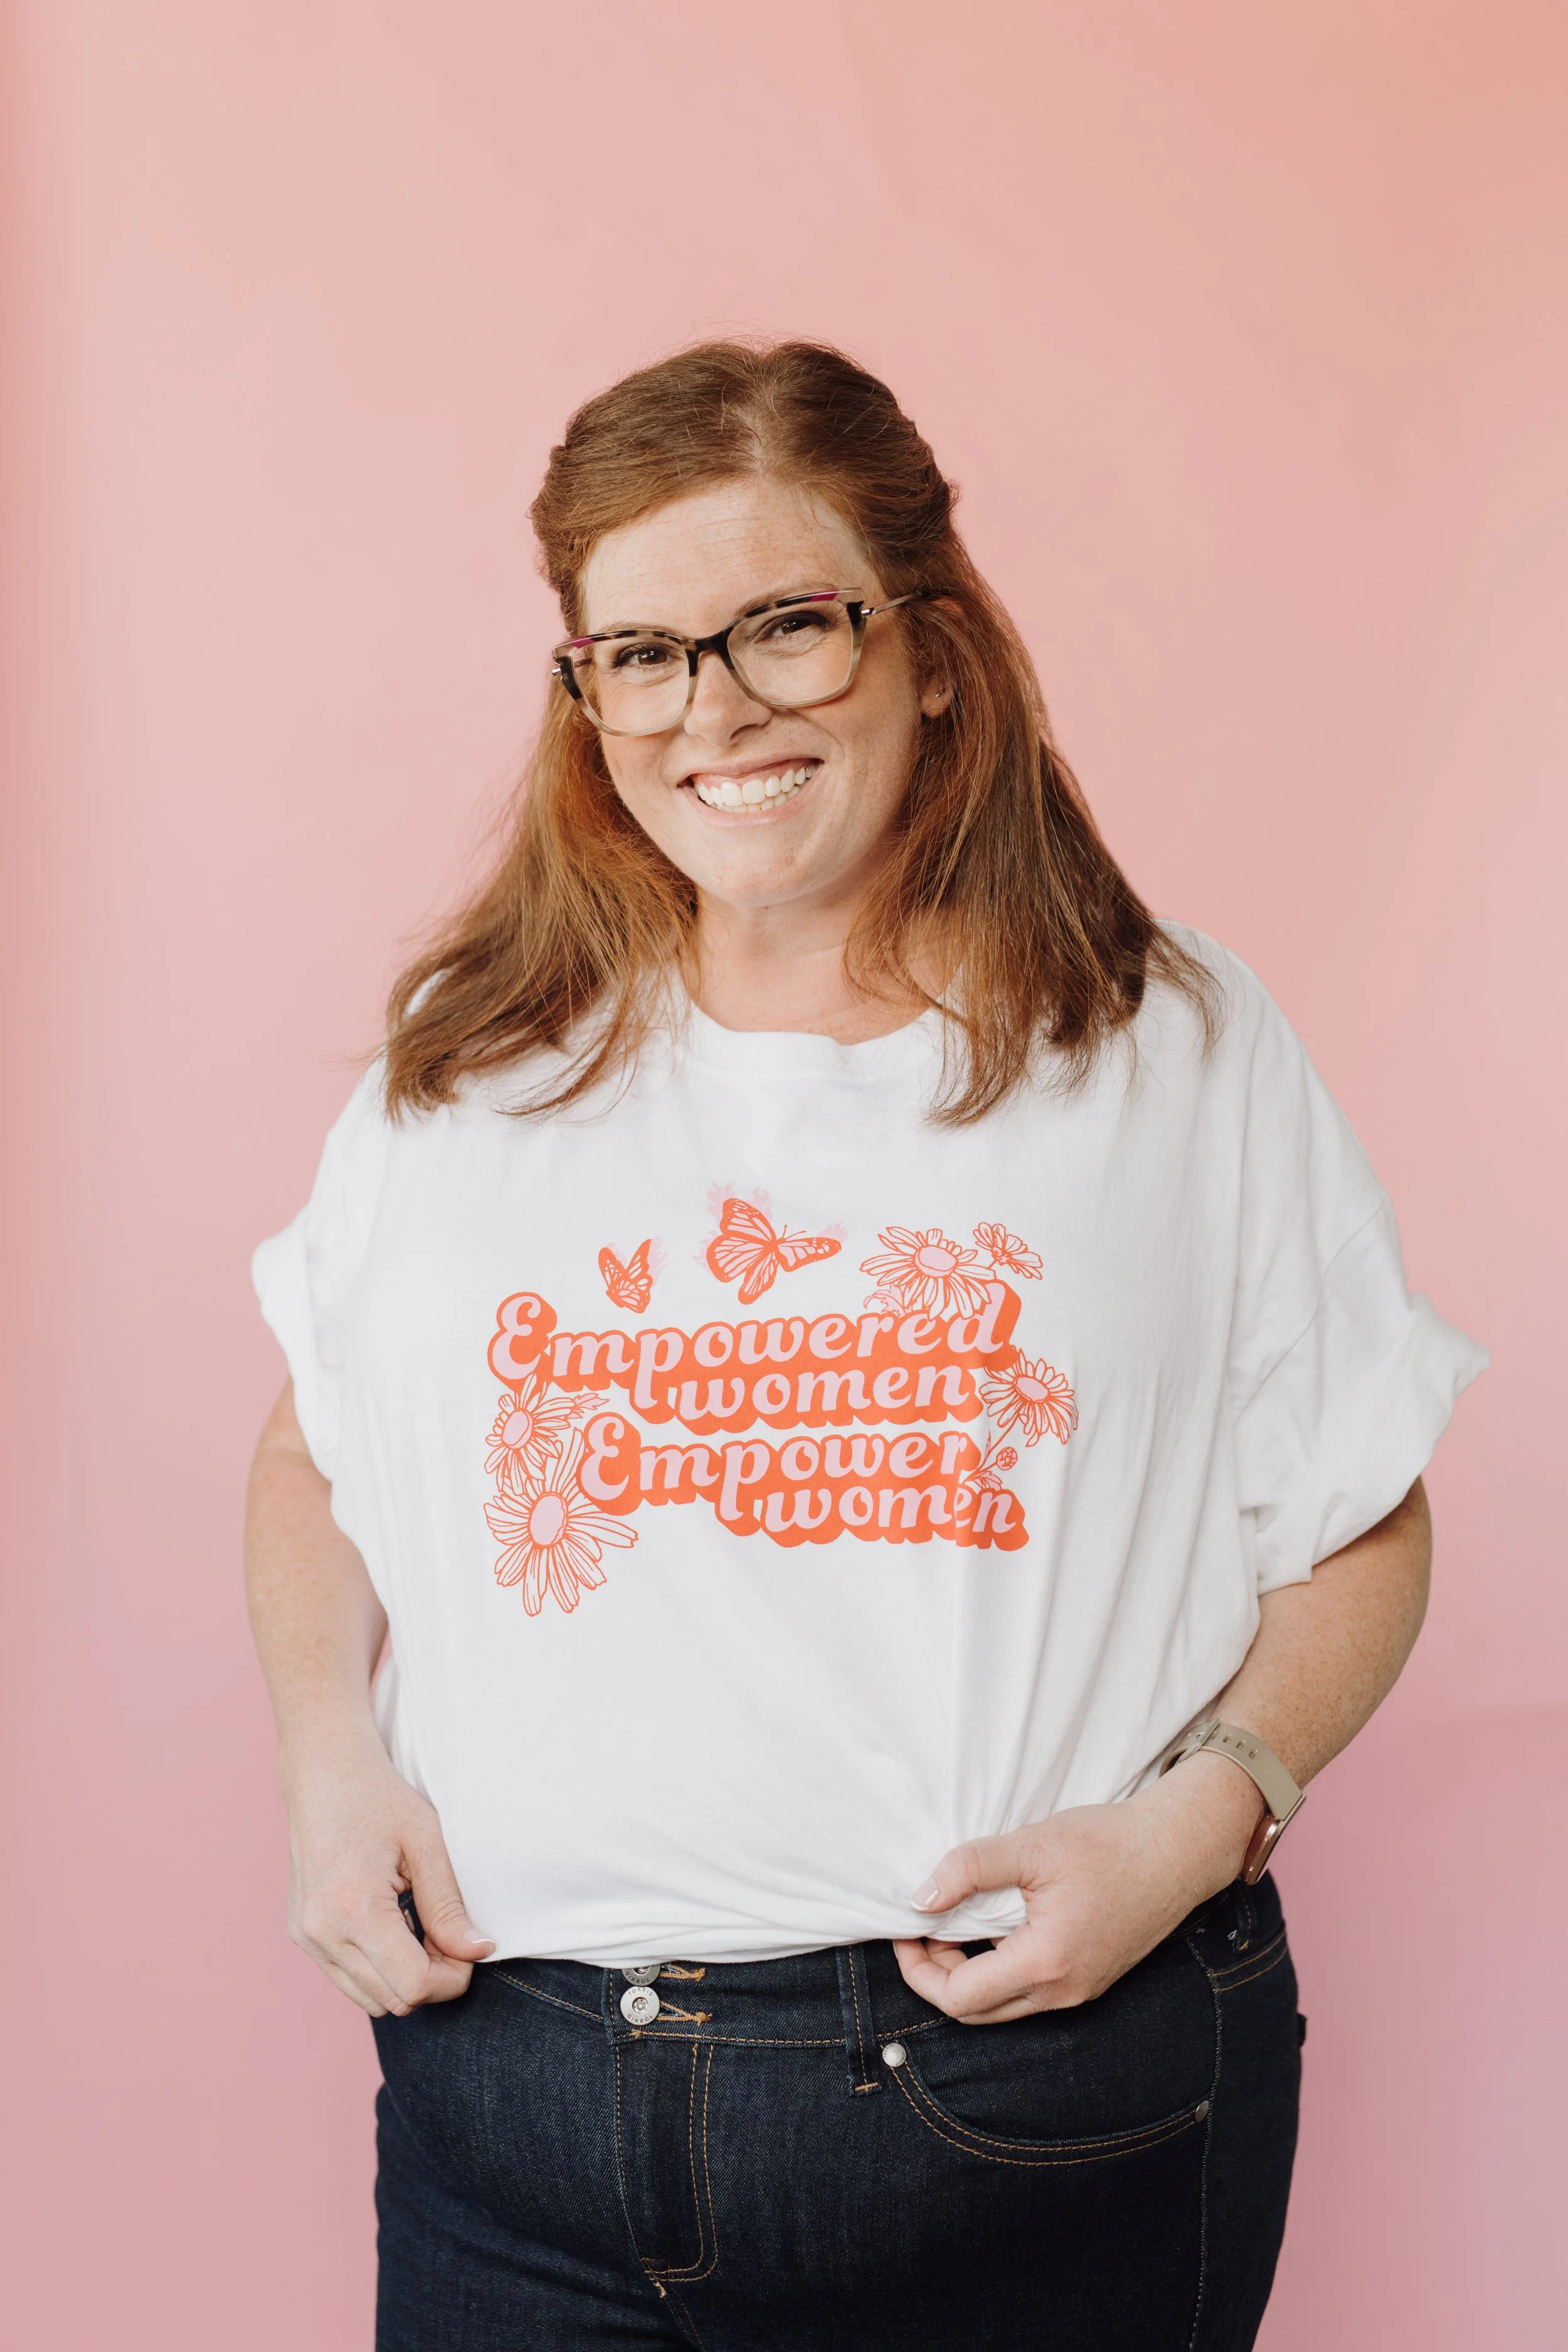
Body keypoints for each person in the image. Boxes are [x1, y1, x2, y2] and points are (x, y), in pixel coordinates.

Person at [246, 340, 1485, 2352]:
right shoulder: (471, 1062)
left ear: (929, 650)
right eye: (641, 653)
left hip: (1033, 2102)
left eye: (784, 625)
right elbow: (316, 1446)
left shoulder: (1168, 1044)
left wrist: (1201, 1820)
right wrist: (325, 1760)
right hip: (515, 2103)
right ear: (584, 695)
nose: (711, 708)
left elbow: (1360, 1508)